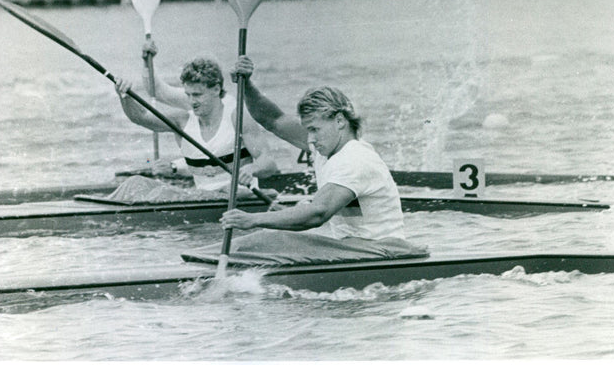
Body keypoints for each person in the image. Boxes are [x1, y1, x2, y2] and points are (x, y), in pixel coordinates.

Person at [220, 56, 407, 243]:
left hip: (384, 251)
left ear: (340, 121)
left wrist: (253, 219)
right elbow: (272, 120)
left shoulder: (355, 159)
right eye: (308, 130)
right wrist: (246, 85)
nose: (310, 139)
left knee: (268, 241)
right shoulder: (328, 144)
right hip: (355, 248)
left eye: (314, 129)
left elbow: (318, 213)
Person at [113, 54, 278, 198]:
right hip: (204, 197)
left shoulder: (237, 118)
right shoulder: (182, 120)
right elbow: (141, 117)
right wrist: (125, 97)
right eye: (188, 95)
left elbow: (269, 163)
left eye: (197, 95)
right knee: (136, 184)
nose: (192, 102)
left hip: (240, 197)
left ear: (216, 89)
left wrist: (252, 169)